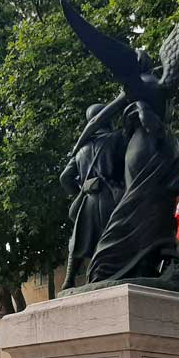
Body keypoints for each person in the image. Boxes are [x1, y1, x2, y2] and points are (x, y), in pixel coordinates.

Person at [59, 101, 126, 290]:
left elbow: (65, 178)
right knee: (115, 235)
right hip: (113, 197)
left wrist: (81, 191)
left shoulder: (80, 150)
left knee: (78, 239)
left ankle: (69, 280)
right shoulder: (118, 139)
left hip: (88, 200)